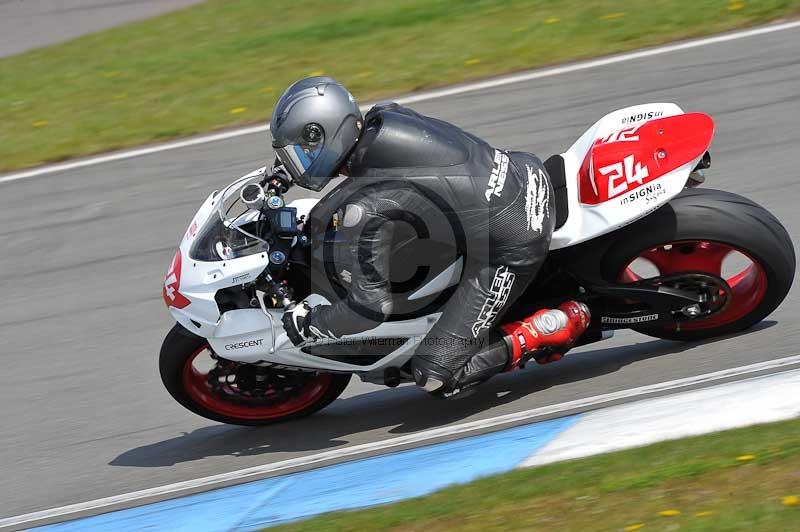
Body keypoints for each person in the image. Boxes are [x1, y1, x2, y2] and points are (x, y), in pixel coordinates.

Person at [275, 76, 590, 397]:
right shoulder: (385, 118)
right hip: (525, 172)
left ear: (324, 135)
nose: (298, 165)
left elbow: (369, 310)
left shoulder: (365, 207)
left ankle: (547, 329)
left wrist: (313, 324)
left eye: (301, 153)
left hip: (514, 239)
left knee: (434, 374)